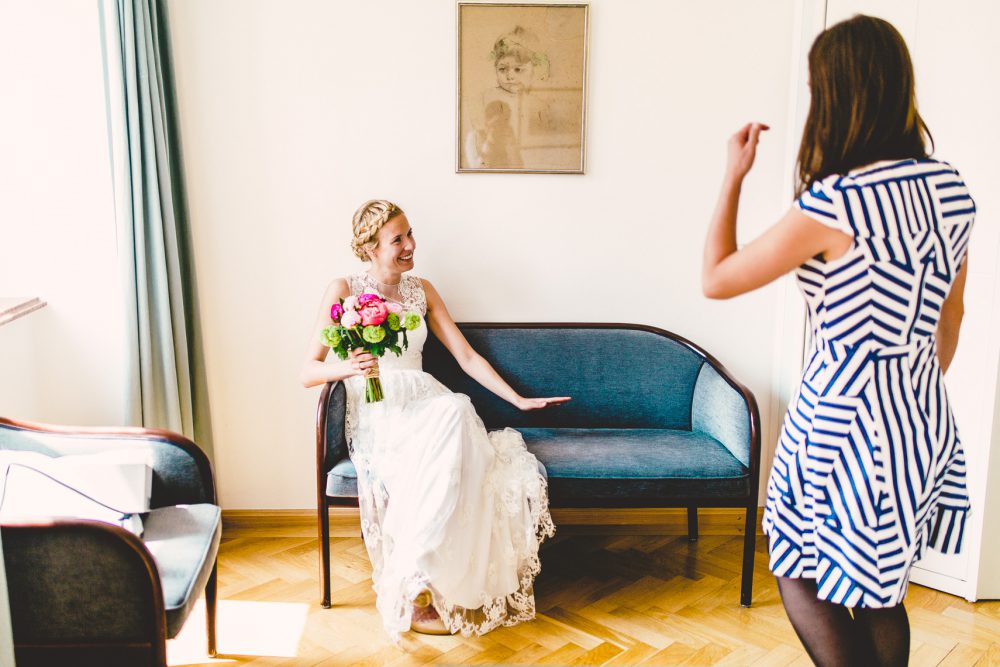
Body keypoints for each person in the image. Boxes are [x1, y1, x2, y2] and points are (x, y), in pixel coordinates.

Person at [701, 15, 975, 667]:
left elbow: (716, 278)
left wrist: (733, 174)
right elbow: (952, 318)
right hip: (920, 415)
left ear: (835, 93)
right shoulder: (950, 188)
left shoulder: (836, 203)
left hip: (841, 421)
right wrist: (907, 395)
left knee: (797, 568)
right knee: (880, 592)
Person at [301, 199, 568, 640]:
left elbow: (466, 356)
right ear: (371, 247)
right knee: (455, 414)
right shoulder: (343, 289)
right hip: (381, 413)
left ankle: (434, 583)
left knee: (457, 409)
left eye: (410, 234)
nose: (410, 245)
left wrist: (518, 399)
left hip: (428, 402)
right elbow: (307, 371)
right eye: (398, 239)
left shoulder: (421, 289)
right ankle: (415, 584)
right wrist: (349, 367)